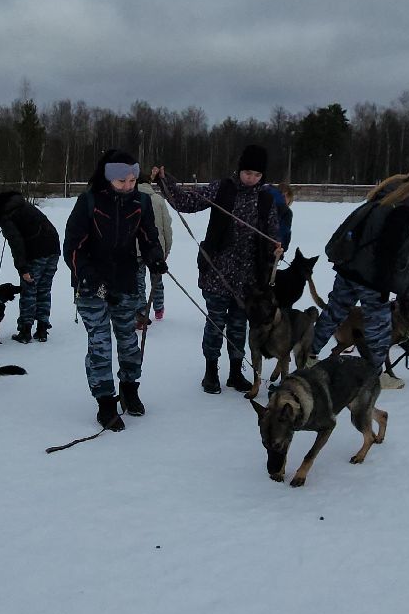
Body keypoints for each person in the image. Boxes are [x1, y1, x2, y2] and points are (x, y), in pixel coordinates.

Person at [153, 144, 283, 395]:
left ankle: (235, 372)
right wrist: (164, 180)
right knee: (215, 322)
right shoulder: (222, 188)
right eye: (247, 173)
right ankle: (210, 372)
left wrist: (277, 248)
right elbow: (186, 201)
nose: (251, 178)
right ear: (239, 170)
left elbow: (273, 233)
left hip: (248, 277)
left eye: (257, 175)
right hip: (217, 271)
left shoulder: (266, 199)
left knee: (238, 324)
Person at [63, 149, 167, 431]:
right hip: (91, 285)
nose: (128, 185)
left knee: (128, 340)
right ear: (108, 177)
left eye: (133, 180)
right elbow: (72, 247)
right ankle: (105, 402)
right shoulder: (89, 202)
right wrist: (87, 277)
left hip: (124, 280)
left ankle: (130, 388)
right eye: (122, 181)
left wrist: (154, 256)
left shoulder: (141, 202)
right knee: (100, 344)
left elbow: (149, 238)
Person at [310, 169, 409, 390]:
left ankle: (308, 354)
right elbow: (388, 251)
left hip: (349, 268)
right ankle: (375, 375)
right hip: (370, 276)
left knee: (334, 312)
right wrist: (384, 284)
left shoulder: (384, 198)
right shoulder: (404, 209)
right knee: (379, 326)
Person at [0, 191, 61, 343]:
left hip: (37, 252)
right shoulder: (21, 205)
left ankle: (25, 331)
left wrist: (22, 269)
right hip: (53, 249)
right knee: (44, 289)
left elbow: (17, 244)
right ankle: (42, 330)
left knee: (29, 290)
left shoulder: (6, 216)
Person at [134, 178, 174, 319]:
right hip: (155, 248)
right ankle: (158, 307)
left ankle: (141, 310)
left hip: (136, 249)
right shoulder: (158, 200)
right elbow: (166, 226)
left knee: (139, 283)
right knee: (156, 279)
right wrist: (166, 249)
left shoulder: (132, 200)